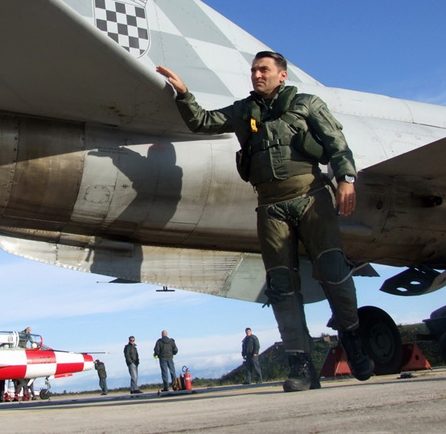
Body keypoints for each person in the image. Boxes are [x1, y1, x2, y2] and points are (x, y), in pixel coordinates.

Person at [157, 52, 374, 392]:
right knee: (281, 285)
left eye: (264, 69)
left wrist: (346, 179)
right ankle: (302, 366)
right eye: (254, 70)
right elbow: (202, 122)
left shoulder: (307, 104)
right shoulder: (244, 110)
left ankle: (353, 340)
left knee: (333, 270)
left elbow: (337, 144)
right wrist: (184, 94)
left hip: (311, 197)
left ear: (282, 75)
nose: (257, 75)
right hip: (270, 206)